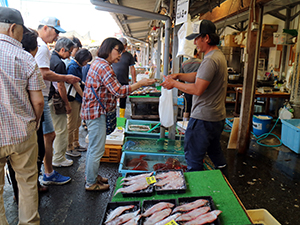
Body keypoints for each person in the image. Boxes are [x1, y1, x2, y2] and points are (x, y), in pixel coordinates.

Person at [81, 37, 155, 191]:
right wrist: (139, 84)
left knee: (95, 147)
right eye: (118, 51)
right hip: (97, 113)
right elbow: (118, 91)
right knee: (96, 148)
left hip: (94, 111)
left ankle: (92, 176)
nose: (120, 56)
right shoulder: (104, 67)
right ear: (108, 49)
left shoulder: (99, 64)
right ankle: (91, 183)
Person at [161, 20, 228, 175]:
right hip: (216, 117)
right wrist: (179, 75)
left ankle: (196, 194)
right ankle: (224, 180)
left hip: (203, 118)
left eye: (197, 38)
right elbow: (199, 76)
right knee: (214, 152)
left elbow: (198, 89)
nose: (195, 42)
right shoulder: (217, 56)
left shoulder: (210, 60)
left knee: (193, 156)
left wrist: (174, 84)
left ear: (206, 38)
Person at [0, 7, 45, 224]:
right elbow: (37, 101)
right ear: (13, 28)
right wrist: (35, 124)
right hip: (22, 133)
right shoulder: (25, 58)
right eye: (21, 32)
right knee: (28, 183)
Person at [35, 17, 80, 185]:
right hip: (42, 97)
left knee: (48, 135)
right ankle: (48, 172)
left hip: (43, 96)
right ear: (45, 28)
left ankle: (47, 172)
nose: (56, 36)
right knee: (50, 135)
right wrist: (66, 77)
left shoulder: (43, 47)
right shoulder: (42, 48)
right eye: (56, 32)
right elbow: (44, 74)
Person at [49, 37, 83, 159]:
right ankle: (59, 158)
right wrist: (67, 104)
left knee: (55, 130)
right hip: (56, 99)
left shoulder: (51, 58)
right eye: (69, 52)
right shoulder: (59, 63)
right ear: (63, 50)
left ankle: (56, 157)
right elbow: (61, 86)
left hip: (49, 97)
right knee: (61, 129)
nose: (70, 55)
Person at [67, 49, 92, 154]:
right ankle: (69, 147)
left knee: (77, 122)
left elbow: (79, 81)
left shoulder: (77, 66)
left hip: (77, 98)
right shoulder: (72, 67)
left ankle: (76, 143)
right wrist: (84, 97)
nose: (86, 63)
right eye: (86, 61)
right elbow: (75, 85)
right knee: (71, 123)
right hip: (73, 98)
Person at [111, 37, 136, 118]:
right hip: (113, 81)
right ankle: (113, 117)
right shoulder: (114, 54)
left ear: (125, 45)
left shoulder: (129, 56)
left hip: (124, 80)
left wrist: (134, 82)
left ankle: (121, 118)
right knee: (112, 100)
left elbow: (132, 68)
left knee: (123, 100)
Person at [180, 48, 202, 120]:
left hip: (187, 88)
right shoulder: (201, 62)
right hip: (198, 88)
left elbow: (182, 75)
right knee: (196, 106)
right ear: (197, 54)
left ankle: (184, 123)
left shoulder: (184, 64)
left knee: (187, 107)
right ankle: (194, 122)